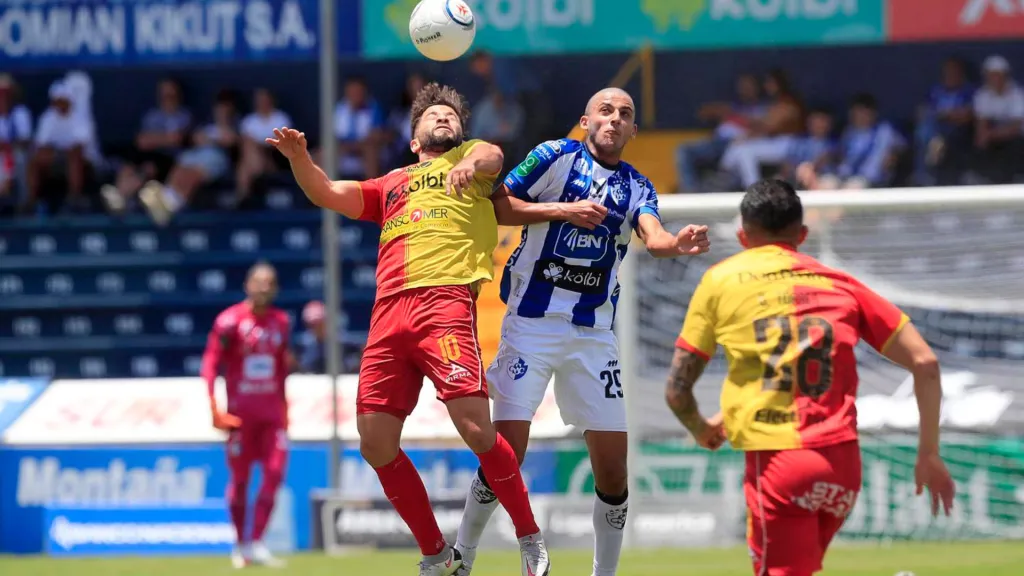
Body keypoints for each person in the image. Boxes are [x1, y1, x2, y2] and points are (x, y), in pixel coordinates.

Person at [267, 82, 550, 576]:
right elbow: (326, 192)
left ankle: (528, 536)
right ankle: (438, 555)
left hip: (443, 301)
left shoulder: (472, 160)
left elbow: (493, 154)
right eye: (432, 116)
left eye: (451, 116)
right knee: (374, 442)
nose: (443, 119)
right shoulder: (392, 183)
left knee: (475, 428)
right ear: (414, 138)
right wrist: (299, 158)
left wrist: (469, 162)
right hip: (387, 316)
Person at [454, 87, 711, 576]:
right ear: (586, 119)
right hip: (531, 326)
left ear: (634, 130)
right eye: (606, 111)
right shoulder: (555, 156)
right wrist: (563, 211)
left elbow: (653, 237)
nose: (615, 119)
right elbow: (499, 206)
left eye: (626, 114)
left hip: (594, 337)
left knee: (613, 470)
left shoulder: (637, 186)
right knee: (507, 452)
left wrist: (675, 242)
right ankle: (462, 556)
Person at [664, 179, 956, 576]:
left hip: (779, 463)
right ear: (802, 235)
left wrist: (699, 428)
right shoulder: (841, 283)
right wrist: (929, 455)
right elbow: (926, 363)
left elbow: (677, 392)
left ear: (741, 235)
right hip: (843, 468)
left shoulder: (721, 279)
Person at [201, 262, 292, 569]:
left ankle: (257, 542)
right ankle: (240, 545)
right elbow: (211, 363)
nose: (264, 287)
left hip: (272, 417)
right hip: (240, 417)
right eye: (258, 281)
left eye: (270, 282)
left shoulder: (281, 322)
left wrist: (285, 411)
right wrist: (214, 405)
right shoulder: (229, 322)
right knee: (240, 481)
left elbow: (281, 369)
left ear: (276, 288)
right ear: (247, 285)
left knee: (275, 474)